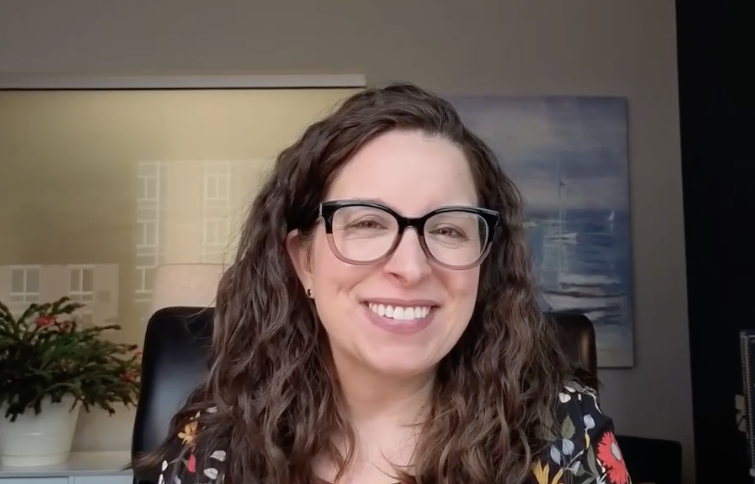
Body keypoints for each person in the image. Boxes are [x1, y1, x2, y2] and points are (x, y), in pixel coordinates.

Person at [139, 82, 631, 484]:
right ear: (304, 261)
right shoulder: (212, 450)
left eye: (447, 230)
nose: (411, 268)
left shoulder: (562, 434)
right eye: (368, 223)